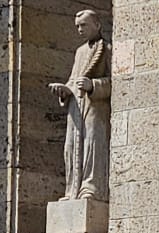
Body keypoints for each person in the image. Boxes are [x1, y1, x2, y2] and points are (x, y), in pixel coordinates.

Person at [48, 10, 111, 202]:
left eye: (84, 25)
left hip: (95, 108)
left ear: (97, 25)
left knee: (93, 145)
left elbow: (117, 82)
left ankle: (92, 188)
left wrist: (93, 85)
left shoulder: (107, 49)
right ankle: (72, 190)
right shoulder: (80, 52)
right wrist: (64, 89)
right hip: (76, 107)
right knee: (71, 147)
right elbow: (73, 80)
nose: (80, 30)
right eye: (77, 26)